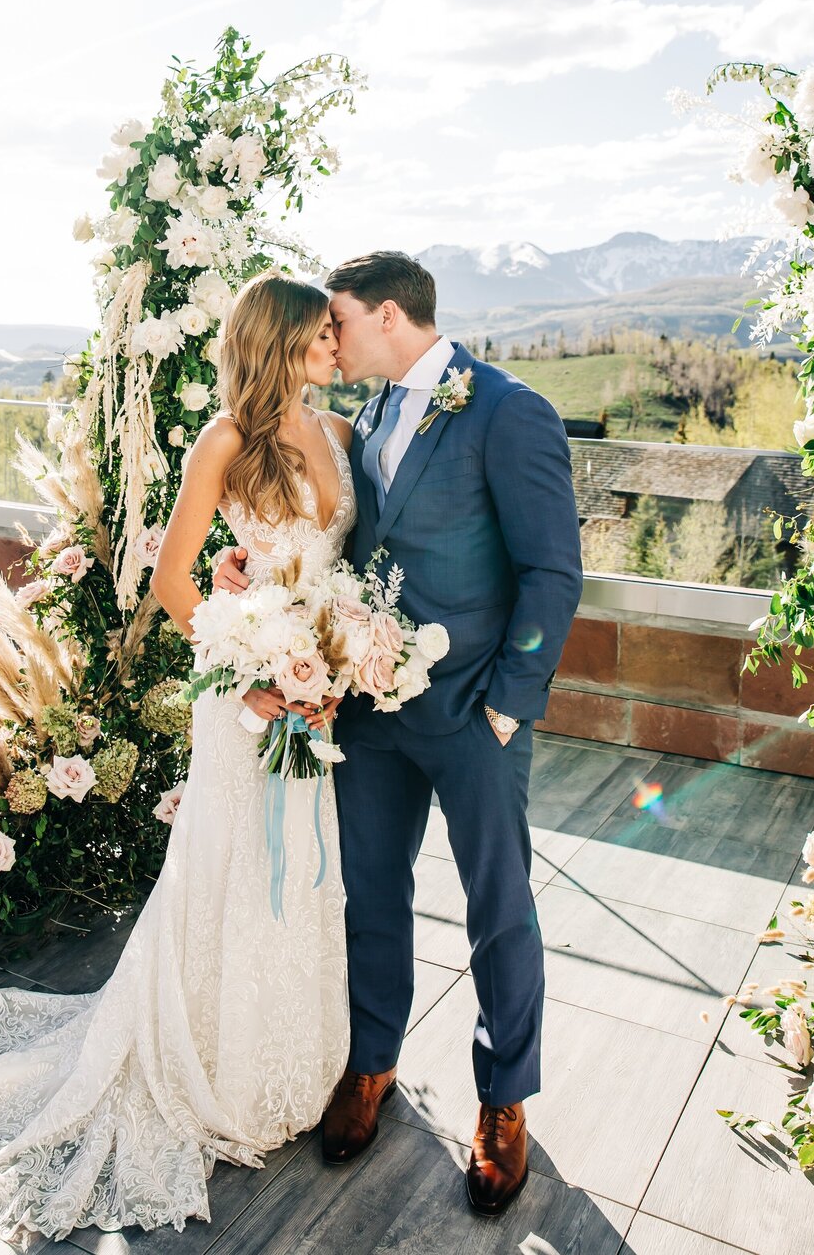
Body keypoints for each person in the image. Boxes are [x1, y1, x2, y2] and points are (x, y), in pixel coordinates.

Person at [0, 272, 355, 1246]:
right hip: (243, 697)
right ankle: (209, 1062)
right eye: (321, 331)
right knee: (233, 870)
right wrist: (249, 665)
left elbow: (341, 567)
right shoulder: (225, 442)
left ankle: (298, 1057)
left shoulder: (335, 436)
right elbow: (174, 581)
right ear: (281, 342)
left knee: (301, 870)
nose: (335, 341)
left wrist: (332, 658)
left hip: (315, 696)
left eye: (336, 332)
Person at [214, 250, 583, 1216]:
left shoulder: (507, 409)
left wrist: (510, 700)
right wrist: (248, 575)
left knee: (497, 906)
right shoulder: (362, 413)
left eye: (336, 321)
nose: (327, 340)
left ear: (386, 316)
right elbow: (327, 535)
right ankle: (372, 1063)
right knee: (371, 892)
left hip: (472, 717)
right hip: (367, 714)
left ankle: (504, 1100)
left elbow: (552, 571)